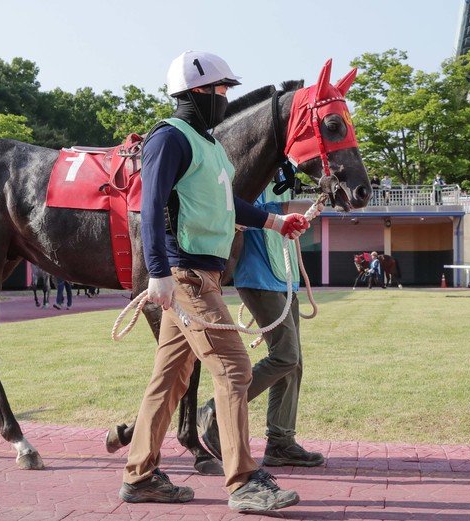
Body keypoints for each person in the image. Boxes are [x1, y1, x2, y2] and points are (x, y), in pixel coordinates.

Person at [118, 50, 309, 514]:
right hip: (185, 276)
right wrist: (158, 273)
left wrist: (275, 222)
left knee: (169, 379)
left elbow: (228, 204)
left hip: (201, 275)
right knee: (234, 369)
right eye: (222, 88)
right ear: (197, 91)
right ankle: (244, 482)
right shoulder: (169, 137)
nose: (226, 97)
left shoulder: (209, 145)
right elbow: (150, 206)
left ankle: (140, 476)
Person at [196, 181, 324, 471]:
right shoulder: (250, 166)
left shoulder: (284, 175)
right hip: (257, 277)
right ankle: (215, 410)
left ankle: (281, 442)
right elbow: (237, 211)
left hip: (284, 277)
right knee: (285, 357)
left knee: (293, 363)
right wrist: (283, 210)